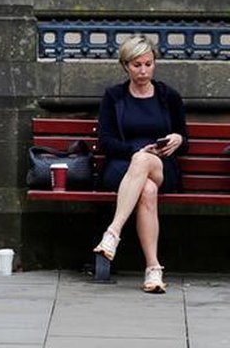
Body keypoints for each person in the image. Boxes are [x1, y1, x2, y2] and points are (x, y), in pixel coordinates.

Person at [92, 34, 187, 293]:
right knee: (147, 188)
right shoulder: (114, 97)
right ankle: (153, 269)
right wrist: (135, 150)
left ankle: (113, 232)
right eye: (137, 65)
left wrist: (178, 139)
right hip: (122, 168)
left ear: (154, 63)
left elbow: (185, 140)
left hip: (162, 166)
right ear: (125, 66)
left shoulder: (168, 96)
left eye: (148, 64)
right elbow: (106, 142)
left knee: (145, 162)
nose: (143, 71)